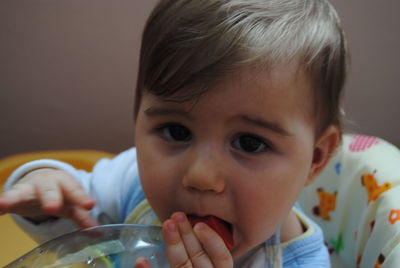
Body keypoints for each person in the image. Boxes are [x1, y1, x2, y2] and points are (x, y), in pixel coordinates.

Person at [0, 0, 348, 267]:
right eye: (177, 131)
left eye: (249, 143)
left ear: (315, 158)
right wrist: (44, 187)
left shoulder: (301, 262)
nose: (200, 176)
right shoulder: (131, 183)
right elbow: (76, 223)